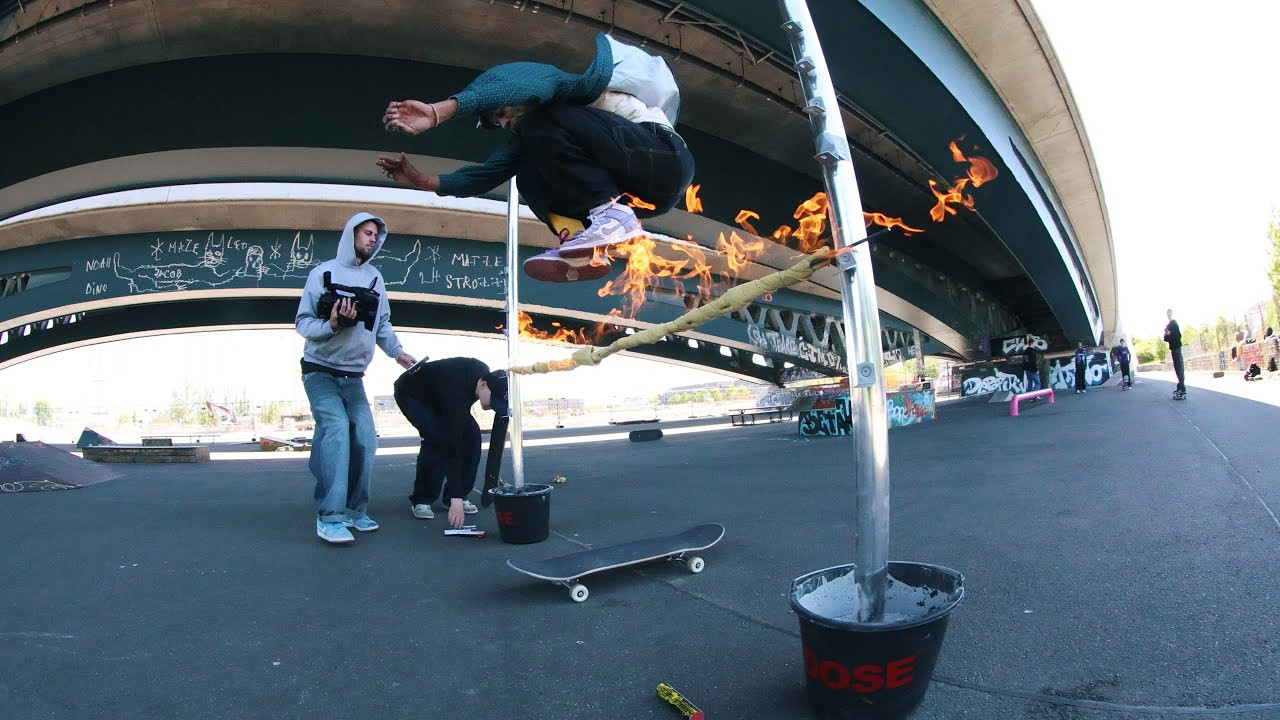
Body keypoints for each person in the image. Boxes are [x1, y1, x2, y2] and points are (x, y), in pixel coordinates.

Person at [376, 32, 695, 283]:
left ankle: (613, 217)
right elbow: (488, 173)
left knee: (539, 123)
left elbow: (527, 85)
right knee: (527, 173)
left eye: (503, 114)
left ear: (515, 98)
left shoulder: (564, 90)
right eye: (500, 123)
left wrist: (439, 111)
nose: (506, 123)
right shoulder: (536, 134)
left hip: (662, 157)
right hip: (643, 193)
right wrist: (423, 181)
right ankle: (583, 245)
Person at [296, 212, 417, 544]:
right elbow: (303, 323)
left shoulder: (376, 279)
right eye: (366, 233)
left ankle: (353, 510)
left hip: (353, 376)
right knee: (336, 430)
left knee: (365, 437)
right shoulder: (322, 273)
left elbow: (383, 325)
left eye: (376, 235)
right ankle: (330, 516)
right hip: (319, 370)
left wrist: (398, 353)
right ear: (351, 234)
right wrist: (332, 325)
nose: (372, 240)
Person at [394, 357, 510, 529]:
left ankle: (457, 495)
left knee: (472, 437)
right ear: (484, 385)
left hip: (442, 399)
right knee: (437, 438)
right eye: (493, 400)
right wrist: (456, 500)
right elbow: (452, 446)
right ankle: (422, 499)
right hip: (413, 395)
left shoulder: (482, 375)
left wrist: (457, 495)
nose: (493, 406)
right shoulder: (457, 391)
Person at [1164, 309, 1185, 398]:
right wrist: (1167, 334)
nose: (1169, 316)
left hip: (1177, 347)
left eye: (1170, 314)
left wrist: (1170, 333)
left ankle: (1182, 387)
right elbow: (1165, 338)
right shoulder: (1168, 325)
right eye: (1167, 314)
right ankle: (1179, 386)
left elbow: (1178, 335)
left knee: (1180, 367)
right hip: (1173, 348)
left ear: (1172, 314)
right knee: (1177, 368)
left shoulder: (1175, 324)